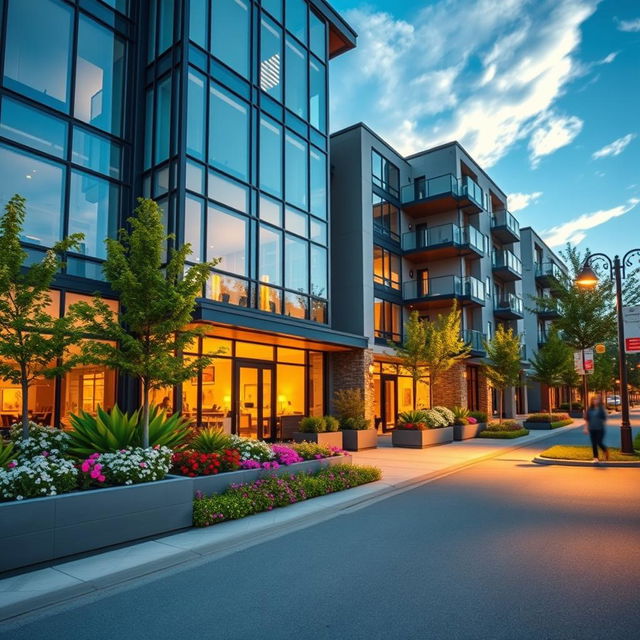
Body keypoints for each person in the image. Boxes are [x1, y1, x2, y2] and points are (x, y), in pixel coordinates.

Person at [583, 395, 609, 462]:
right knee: (594, 443)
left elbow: (604, 419)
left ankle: (605, 451)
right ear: (591, 401)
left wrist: (600, 423)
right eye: (593, 400)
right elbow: (587, 419)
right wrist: (586, 428)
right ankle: (596, 458)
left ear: (599, 401)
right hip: (592, 429)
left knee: (599, 442)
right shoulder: (589, 409)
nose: (595, 401)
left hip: (600, 429)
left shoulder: (601, 409)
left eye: (596, 399)